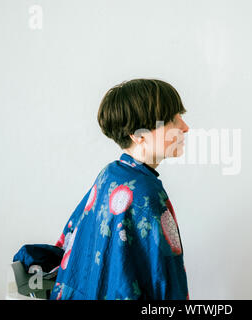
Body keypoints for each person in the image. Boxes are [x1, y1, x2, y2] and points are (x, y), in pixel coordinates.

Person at [49, 79, 190, 300]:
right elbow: (166, 279)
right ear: (139, 135)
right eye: (172, 120)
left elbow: (70, 238)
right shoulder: (147, 193)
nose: (184, 127)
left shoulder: (110, 174)